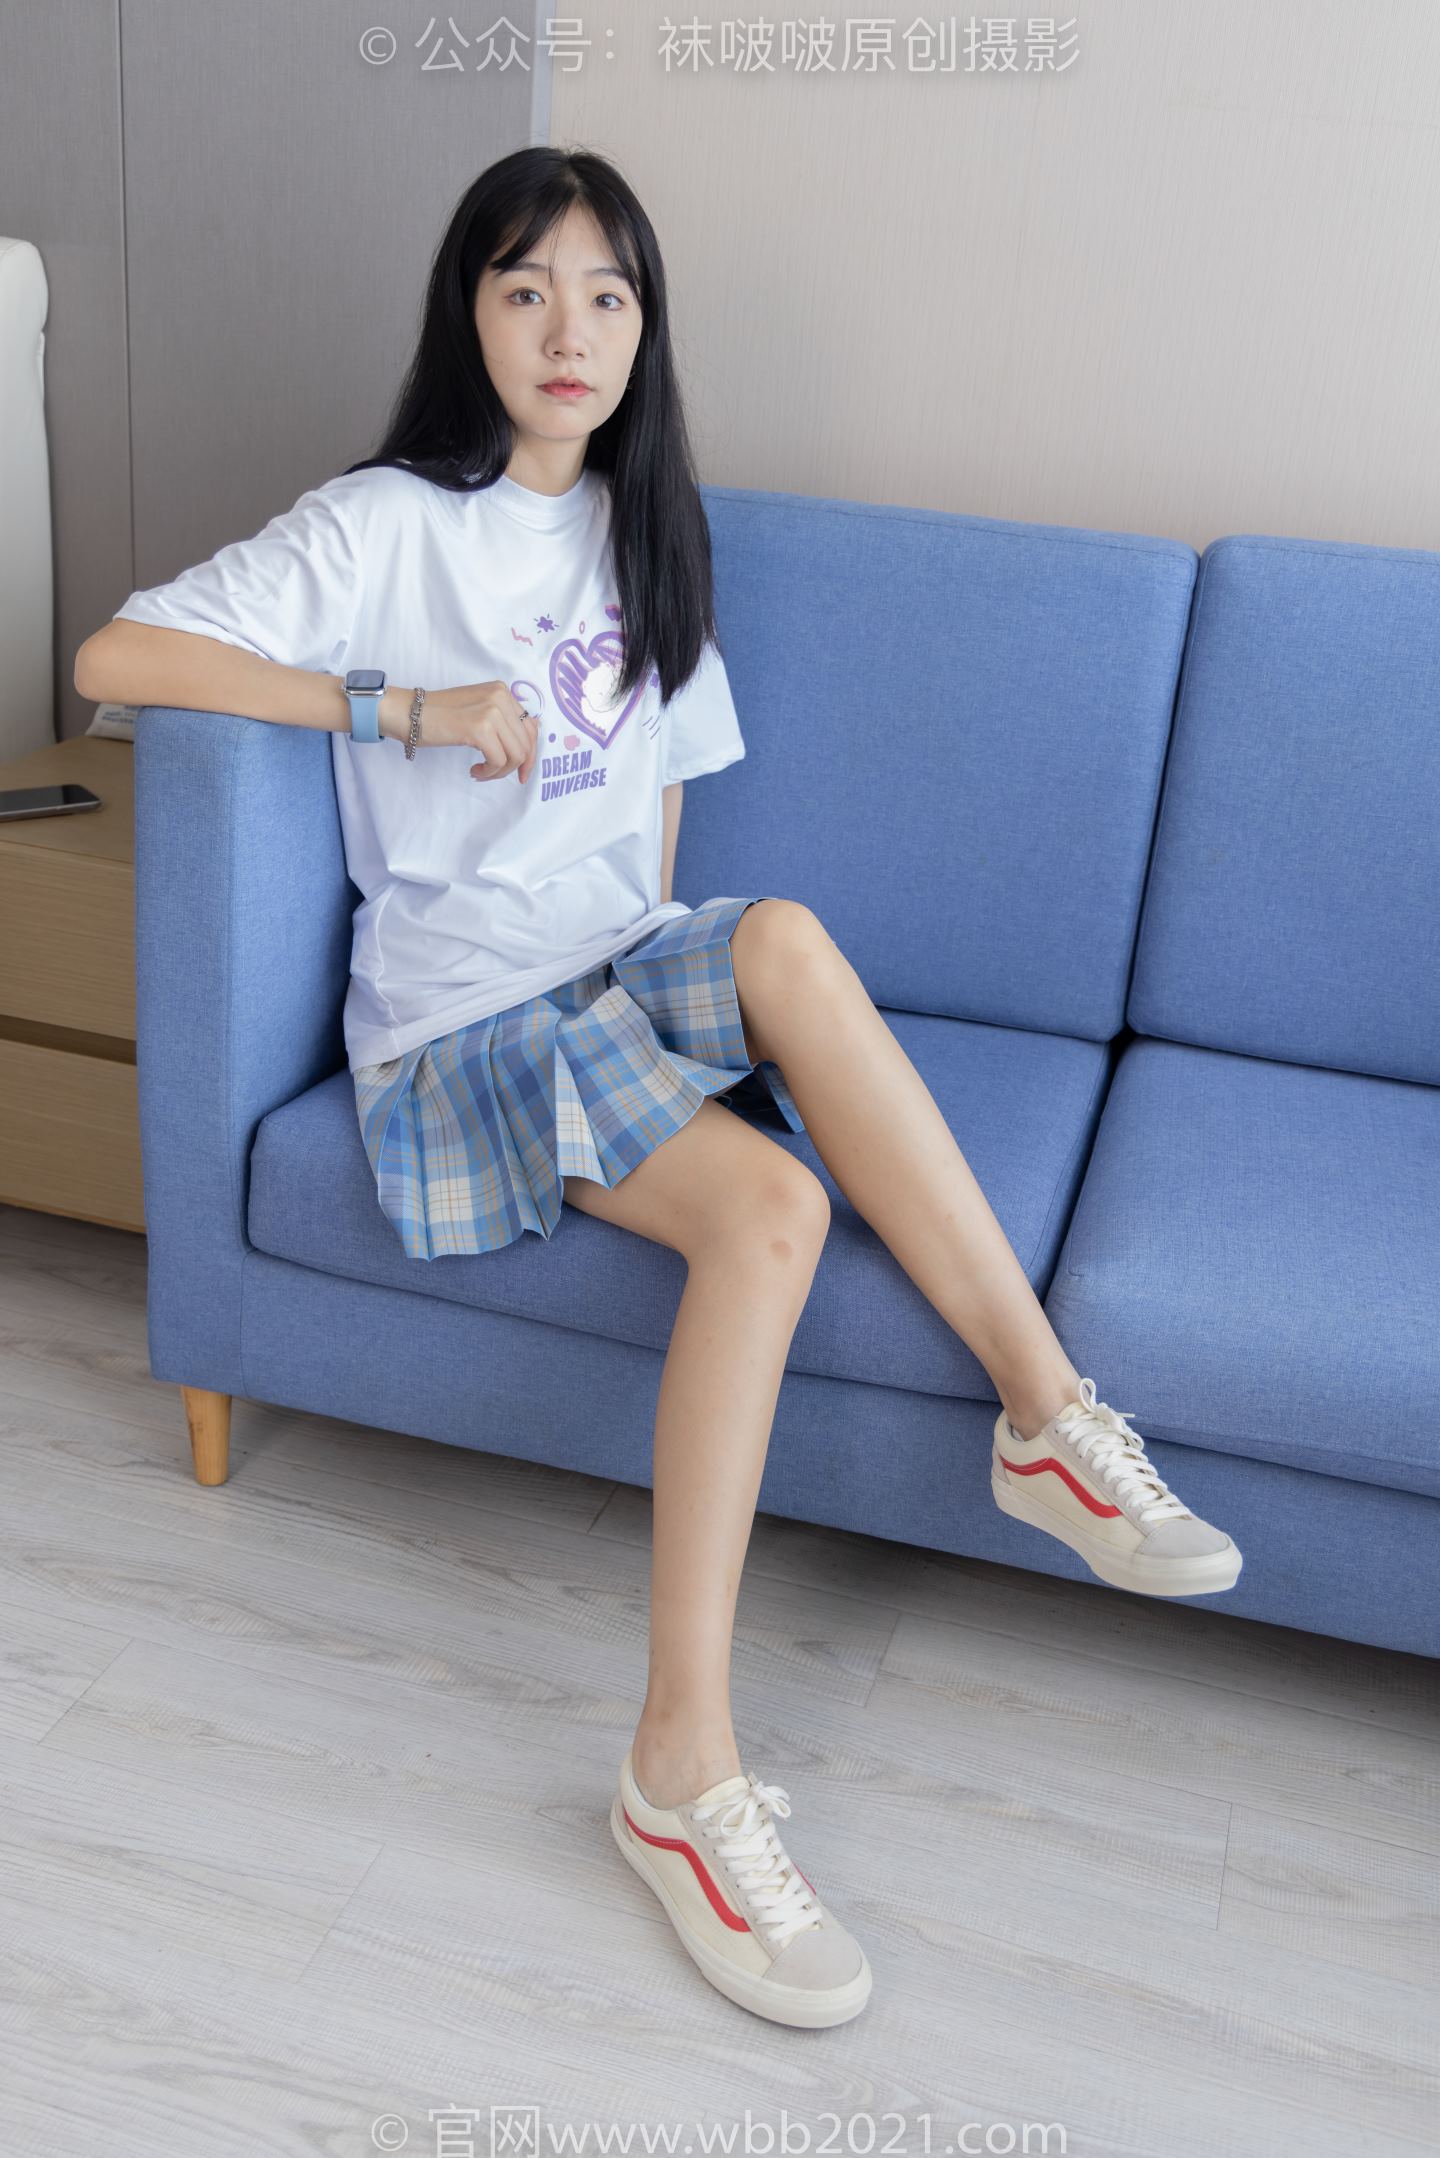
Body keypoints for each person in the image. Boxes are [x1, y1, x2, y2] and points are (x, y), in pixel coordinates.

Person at [75, 146, 1242, 2031]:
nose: (572, 328)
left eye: (608, 293)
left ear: (644, 329)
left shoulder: (647, 525)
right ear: (469, 311)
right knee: (773, 1208)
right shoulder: (382, 528)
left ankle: (1045, 1415)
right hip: (461, 1028)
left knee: (781, 938)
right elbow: (113, 653)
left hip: (608, 971)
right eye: (529, 286)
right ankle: (680, 1774)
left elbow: (658, 824)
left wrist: (671, 1009)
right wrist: (395, 707)